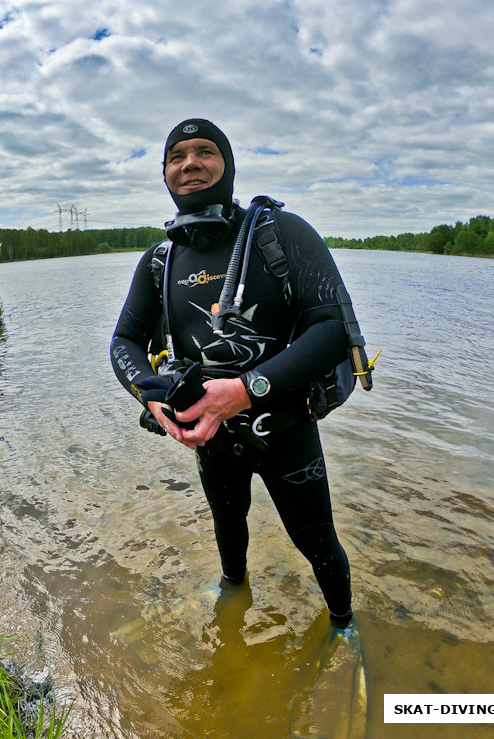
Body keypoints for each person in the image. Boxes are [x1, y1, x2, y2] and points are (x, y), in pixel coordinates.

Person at [111, 118, 356, 629]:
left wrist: (245, 390)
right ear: (165, 174)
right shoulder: (161, 259)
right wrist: (150, 400)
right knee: (228, 525)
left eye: (205, 151)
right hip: (212, 437)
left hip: (287, 430)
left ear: (228, 164)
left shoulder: (282, 233)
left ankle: (343, 623)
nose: (190, 163)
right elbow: (124, 342)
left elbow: (333, 329)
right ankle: (231, 595)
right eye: (177, 156)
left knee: (317, 540)